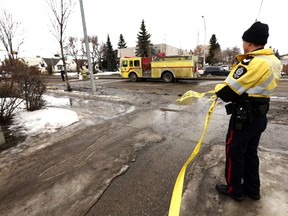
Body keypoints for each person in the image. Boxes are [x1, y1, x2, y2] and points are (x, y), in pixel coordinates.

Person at [214, 21, 282, 201]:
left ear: (249, 42)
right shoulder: (274, 61)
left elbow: (227, 92)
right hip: (259, 116)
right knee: (251, 153)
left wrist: (217, 88)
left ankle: (234, 190)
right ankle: (253, 189)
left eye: (244, 40)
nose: (243, 44)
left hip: (244, 117)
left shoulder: (253, 62)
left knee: (234, 151)